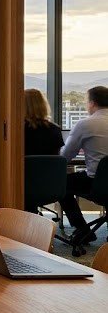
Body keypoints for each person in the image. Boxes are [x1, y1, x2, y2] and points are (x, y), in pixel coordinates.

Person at [60, 86, 108, 244]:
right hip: (103, 182)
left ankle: (83, 229)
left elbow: (65, 157)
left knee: (62, 185)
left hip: (96, 184)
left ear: (92, 103)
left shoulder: (86, 124)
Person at [24, 89, 64, 156]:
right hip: (49, 166)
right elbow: (56, 157)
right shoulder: (55, 129)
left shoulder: (17, 131)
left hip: (25, 166)